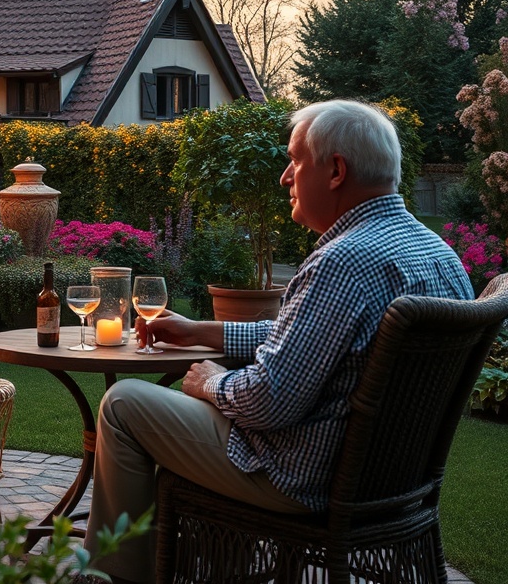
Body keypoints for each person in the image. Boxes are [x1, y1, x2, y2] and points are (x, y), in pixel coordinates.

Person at [80, 100, 473, 584]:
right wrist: (206, 331)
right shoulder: (437, 254)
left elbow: (268, 401)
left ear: (335, 170)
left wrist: (212, 382)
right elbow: (324, 340)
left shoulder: (344, 261)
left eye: (294, 161)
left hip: (301, 475)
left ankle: (111, 577)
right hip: (390, 481)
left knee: (123, 405)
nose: (286, 177)